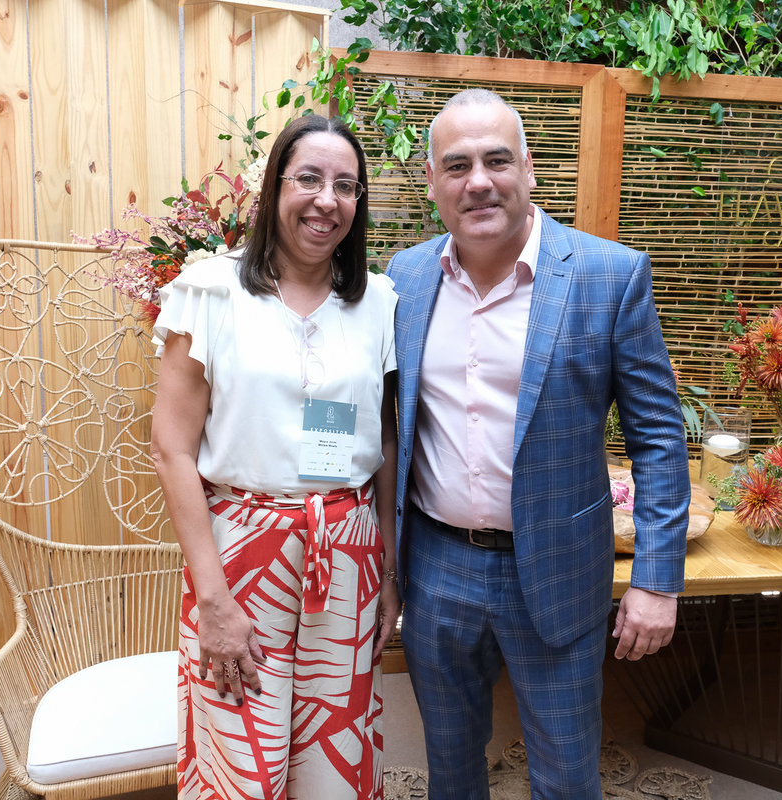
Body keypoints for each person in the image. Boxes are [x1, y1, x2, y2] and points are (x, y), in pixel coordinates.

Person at [388, 89, 691, 799]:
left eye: (497, 160)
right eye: (457, 165)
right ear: (431, 182)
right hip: (436, 568)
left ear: (528, 168)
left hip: (557, 568)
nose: (479, 181)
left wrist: (656, 579)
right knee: (450, 771)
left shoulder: (609, 276)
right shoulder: (404, 279)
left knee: (565, 776)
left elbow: (657, 437)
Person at [151, 115, 400, 800]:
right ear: (275, 187)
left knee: (334, 761)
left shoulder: (378, 302)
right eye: (309, 179)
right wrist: (212, 601)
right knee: (243, 759)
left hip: (347, 554)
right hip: (241, 558)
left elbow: (383, 443)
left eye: (346, 186)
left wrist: (388, 572)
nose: (327, 200)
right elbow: (172, 448)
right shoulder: (211, 291)